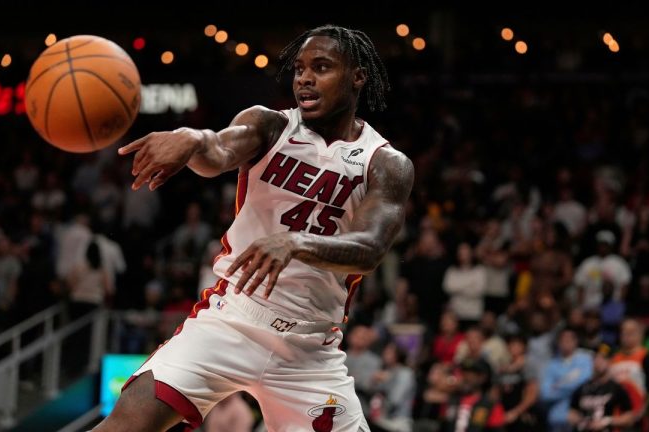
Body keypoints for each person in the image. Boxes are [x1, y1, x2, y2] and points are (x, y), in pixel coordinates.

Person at [94, 25, 413, 432]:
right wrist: (192, 139)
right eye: (299, 69)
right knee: (128, 420)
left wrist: (296, 243)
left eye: (321, 67)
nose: (305, 78)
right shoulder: (270, 126)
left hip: (310, 349)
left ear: (357, 77)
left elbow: (369, 249)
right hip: (231, 319)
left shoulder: (385, 163)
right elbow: (219, 149)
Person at [568, 344, 636, 432]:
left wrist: (607, 421)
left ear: (609, 361)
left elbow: (629, 418)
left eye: (603, 358)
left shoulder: (617, 388)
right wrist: (580, 421)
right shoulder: (582, 388)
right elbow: (571, 413)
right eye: (596, 358)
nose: (599, 362)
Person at [539, 328, 593, 432]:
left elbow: (586, 381)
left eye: (569, 339)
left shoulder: (586, 359)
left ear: (575, 341)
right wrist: (572, 384)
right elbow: (545, 394)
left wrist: (559, 385)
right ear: (558, 343)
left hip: (583, 412)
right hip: (557, 417)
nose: (566, 342)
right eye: (563, 340)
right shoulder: (551, 365)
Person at [442, 357, 505, 432]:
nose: (465, 377)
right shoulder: (452, 400)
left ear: (482, 377)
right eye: (464, 373)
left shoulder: (491, 405)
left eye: (470, 374)